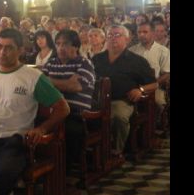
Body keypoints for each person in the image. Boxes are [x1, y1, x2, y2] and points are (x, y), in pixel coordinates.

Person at [0, 29, 69, 195]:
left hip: (15, 137)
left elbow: (63, 108)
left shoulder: (32, 76)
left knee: (3, 172)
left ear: (20, 50)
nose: (2, 52)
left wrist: (41, 129)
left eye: (9, 48)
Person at [91, 25, 157, 158]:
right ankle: (93, 149)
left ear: (127, 39)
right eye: (110, 35)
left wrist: (140, 90)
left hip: (121, 100)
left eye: (117, 35)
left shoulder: (136, 60)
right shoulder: (97, 59)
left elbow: (154, 83)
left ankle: (116, 150)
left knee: (118, 116)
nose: (113, 38)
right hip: (97, 100)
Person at [43, 29, 96, 166]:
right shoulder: (51, 63)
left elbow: (75, 86)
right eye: (58, 44)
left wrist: (49, 81)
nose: (61, 48)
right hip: (52, 111)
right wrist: (65, 83)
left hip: (76, 114)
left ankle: (63, 168)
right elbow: (40, 86)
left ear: (76, 46)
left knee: (68, 130)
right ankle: (45, 165)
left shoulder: (84, 63)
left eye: (65, 44)